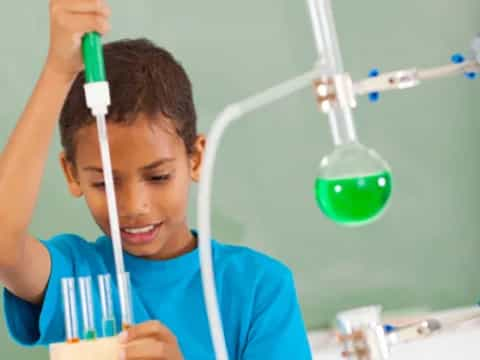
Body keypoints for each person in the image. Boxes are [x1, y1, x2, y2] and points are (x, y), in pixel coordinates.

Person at [0, 0, 312, 358]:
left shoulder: (258, 288)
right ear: (72, 174)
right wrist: (58, 72)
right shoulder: (77, 277)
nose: (134, 207)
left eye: (159, 176)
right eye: (104, 183)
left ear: (195, 159)